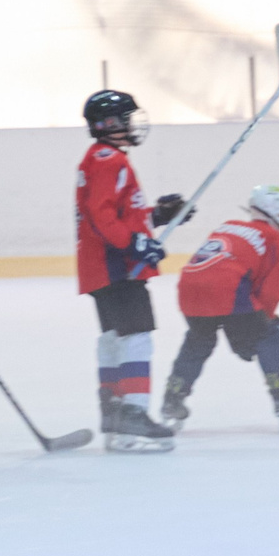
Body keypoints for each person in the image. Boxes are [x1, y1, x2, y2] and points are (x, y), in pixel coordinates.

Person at [75, 89, 188, 451]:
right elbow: (103, 217)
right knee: (137, 335)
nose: (131, 125)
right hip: (117, 267)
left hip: (101, 267)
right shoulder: (111, 161)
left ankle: (113, 411)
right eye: (126, 118)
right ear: (108, 124)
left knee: (114, 338)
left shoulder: (99, 158)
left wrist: (157, 216)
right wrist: (136, 245)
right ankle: (134, 414)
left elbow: (120, 216)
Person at [163, 185, 279, 432]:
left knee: (198, 340)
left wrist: (240, 330)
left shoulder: (228, 225)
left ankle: (173, 399)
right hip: (229, 289)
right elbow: (269, 296)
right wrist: (258, 330)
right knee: (269, 334)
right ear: (278, 213)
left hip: (189, 288)